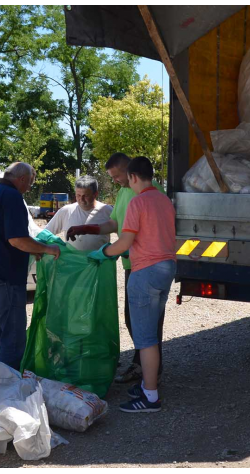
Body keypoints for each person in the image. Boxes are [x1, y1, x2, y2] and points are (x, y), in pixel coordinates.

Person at [87, 156, 175, 413]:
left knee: (145, 338)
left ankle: (150, 397)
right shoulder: (164, 200)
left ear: (134, 177)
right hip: (166, 269)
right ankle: (149, 383)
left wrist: (103, 252)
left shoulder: (138, 202)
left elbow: (124, 242)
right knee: (152, 333)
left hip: (145, 272)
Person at [67, 153, 164, 384]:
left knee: (145, 321)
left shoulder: (146, 193)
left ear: (130, 172)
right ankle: (145, 367)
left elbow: (136, 234)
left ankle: (150, 377)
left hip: (145, 264)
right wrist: (87, 228)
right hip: (134, 264)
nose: (116, 181)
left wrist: (104, 253)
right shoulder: (125, 193)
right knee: (135, 319)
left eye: (117, 176)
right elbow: (115, 224)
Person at [0, 162, 60, 370]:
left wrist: (33, 248)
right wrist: (47, 248)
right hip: (3, 277)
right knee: (12, 337)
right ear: (21, 179)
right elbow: (16, 239)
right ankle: (8, 390)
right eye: (29, 183)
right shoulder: (12, 197)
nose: (29, 188)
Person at [45, 175, 111, 252]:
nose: (81, 199)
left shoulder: (107, 211)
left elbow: (123, 234)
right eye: (78, 195)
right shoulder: (66, 211)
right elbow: (46, 233)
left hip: (99, 262)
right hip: (72, 262)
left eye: (85, 195)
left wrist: (115, 251)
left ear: (95, 194)